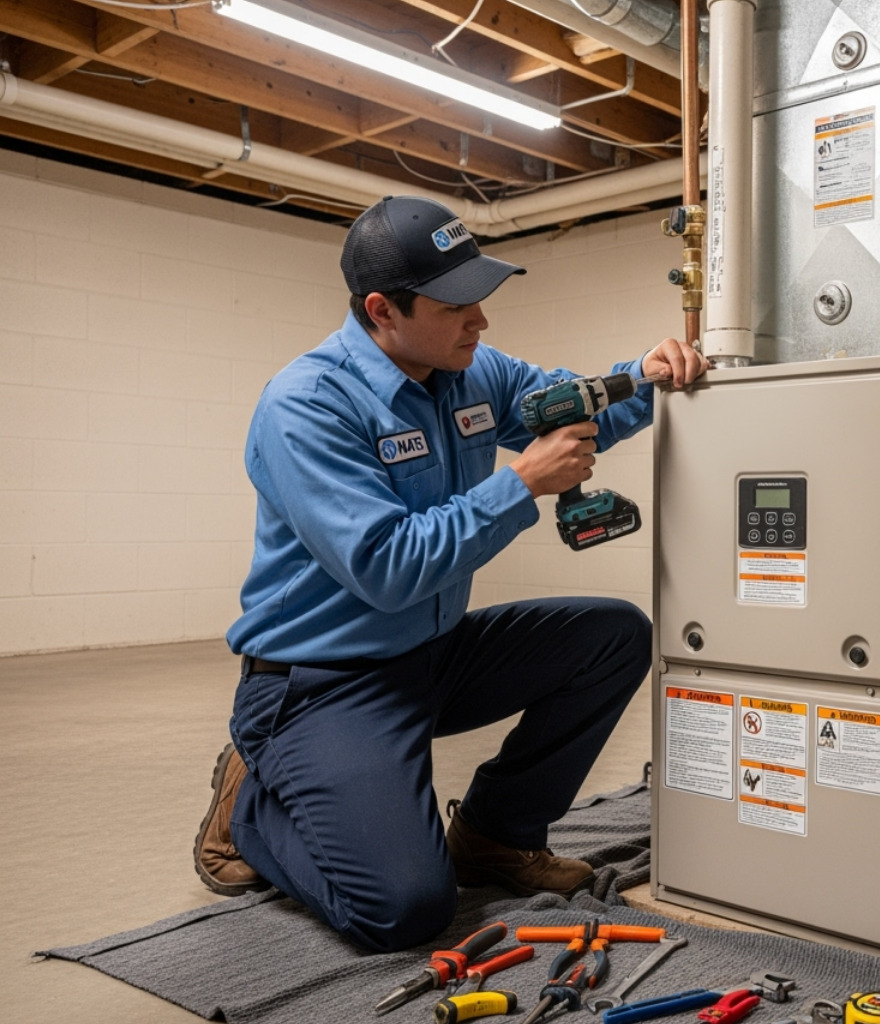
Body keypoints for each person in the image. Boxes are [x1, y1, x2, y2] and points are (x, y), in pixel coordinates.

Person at [193, 194, 706, 953]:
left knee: (613, 635)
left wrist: (646, 374)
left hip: (429, 656)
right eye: (456, 304)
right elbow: (387, 568)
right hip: (320, 683)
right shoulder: (307, 405)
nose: (481, 321)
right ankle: (252, 805)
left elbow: (569, 407)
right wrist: (521, 483)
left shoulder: (471, 371)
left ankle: (492, 836)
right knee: (402, 911)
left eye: (481, 297)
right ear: (382, 310)